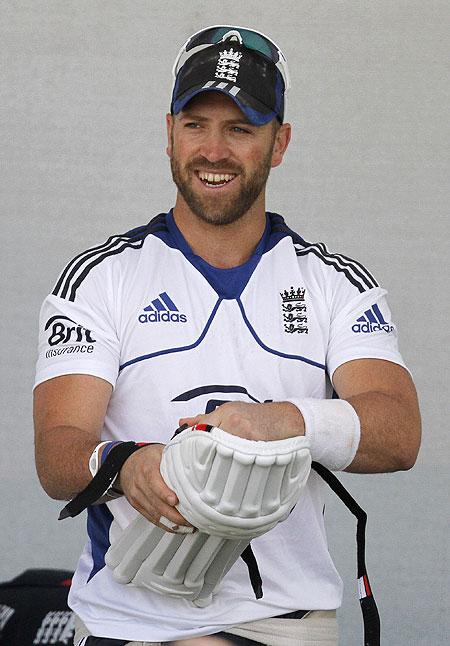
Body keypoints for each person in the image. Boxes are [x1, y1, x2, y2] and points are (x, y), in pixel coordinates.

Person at [33, 25, 421, 646]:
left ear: (280, 142)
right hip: (131, 623)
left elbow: (399, 432)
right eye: (196, 124)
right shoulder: (102, 278)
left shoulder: (333, 283)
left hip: (288, 625)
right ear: (168, 132)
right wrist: (124, 465)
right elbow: (57, 450)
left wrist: (284, 421)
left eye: (241, 128)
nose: (214, 150)